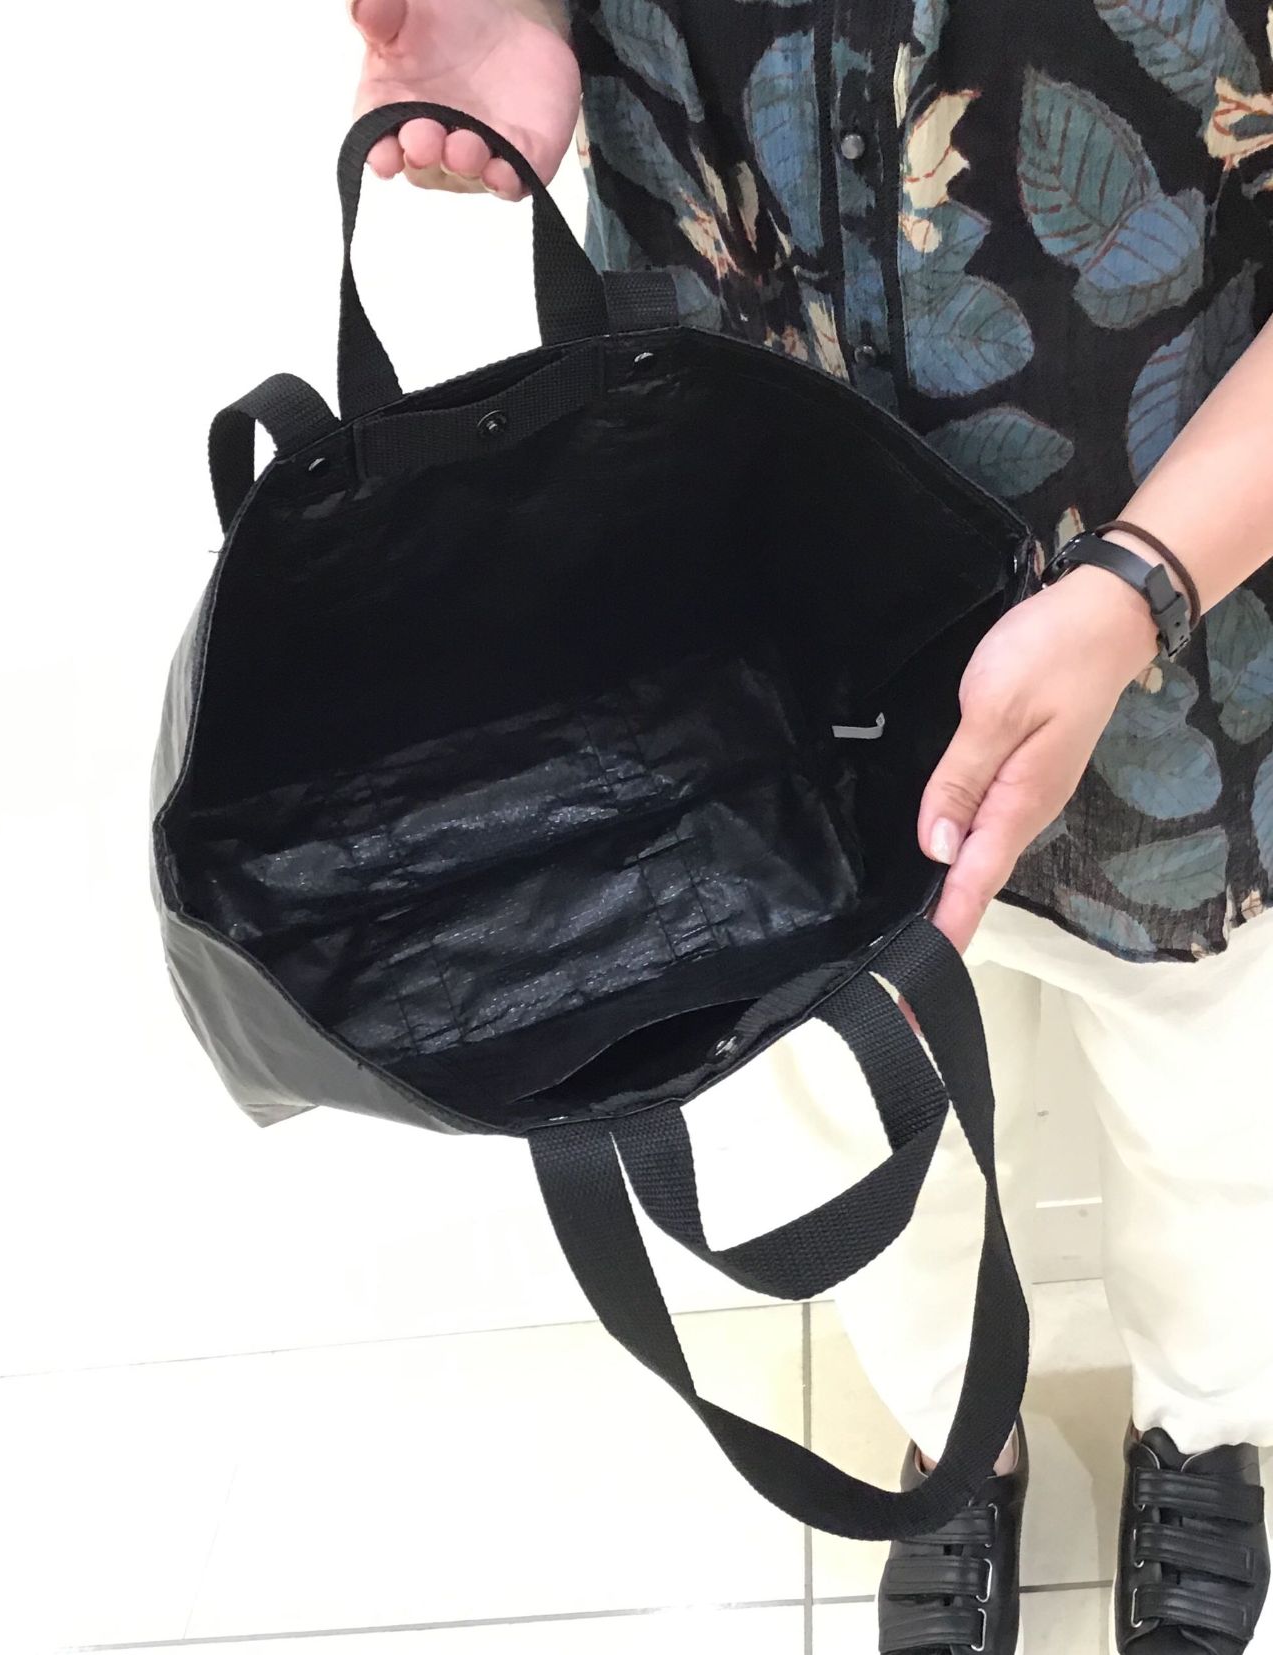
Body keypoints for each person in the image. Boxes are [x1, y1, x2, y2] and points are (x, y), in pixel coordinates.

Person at [349, 2, 1273, 1650]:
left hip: (1192, 579)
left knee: (1212, 1096)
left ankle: (1206, 1430)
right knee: (828, 1078)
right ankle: (956, 1424)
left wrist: (1140, 585)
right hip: (756, 581)